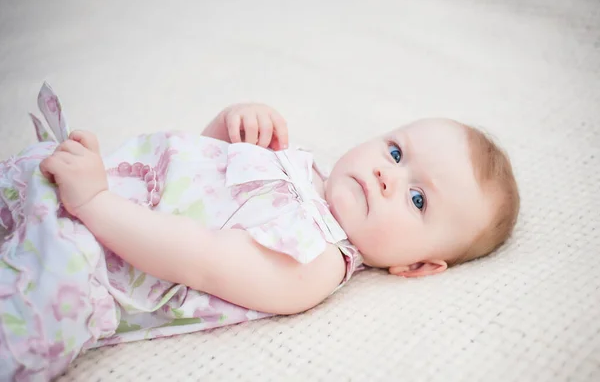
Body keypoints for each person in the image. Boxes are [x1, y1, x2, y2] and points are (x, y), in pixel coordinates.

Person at [0, 83, 519, 380]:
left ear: (417, 266)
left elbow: (197, 256)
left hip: (86, 259)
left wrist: (94, 202)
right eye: (396, 152)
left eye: (417, 198)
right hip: (81, 192)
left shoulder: (315, 261)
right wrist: (228, 128)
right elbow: (195, 180)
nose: (388, 174)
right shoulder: (300, 170)